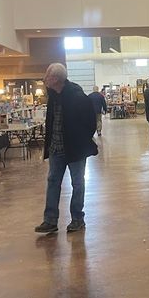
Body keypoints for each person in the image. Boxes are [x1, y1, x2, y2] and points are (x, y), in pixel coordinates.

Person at [35, 63, 98, 234]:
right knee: (53, 182)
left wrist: (80, 140)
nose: (44, 78)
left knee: (77, 183)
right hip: (56, 148)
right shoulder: (53, 96)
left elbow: (90, 123)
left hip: (75, 149)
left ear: (55, 79)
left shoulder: (77, 96)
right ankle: (50, 220)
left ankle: (77, 218)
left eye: (47, 76)